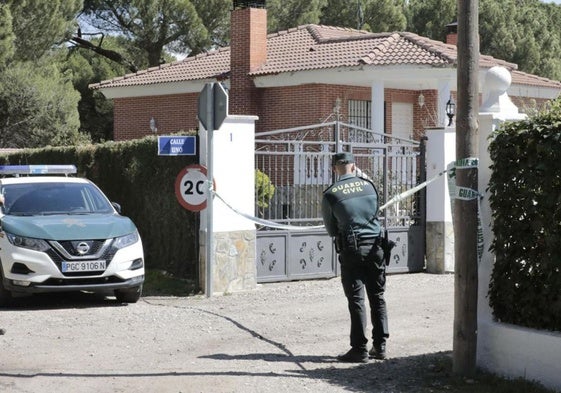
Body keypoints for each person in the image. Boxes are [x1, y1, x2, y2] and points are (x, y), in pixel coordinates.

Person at [321, 152, 389, 363]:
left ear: (334, 169)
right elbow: (375, 213)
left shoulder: (331, 194)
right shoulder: (369, 186)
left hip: (352, 249)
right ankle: (380, 346)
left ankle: (360, 349)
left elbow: (332, 230)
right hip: (376, 247)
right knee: (377, 296)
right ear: (354, 166)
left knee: (357, 299)